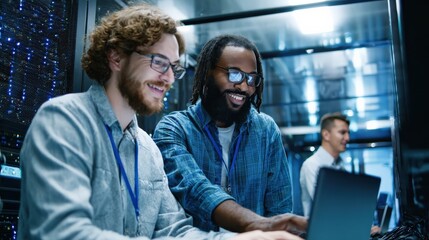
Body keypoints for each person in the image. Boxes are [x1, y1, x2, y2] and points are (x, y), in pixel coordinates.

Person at [17, 4, 303, 240]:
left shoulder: (147, 149)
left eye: (173, 67)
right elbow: (63, 233)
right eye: (158, 61)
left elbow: (174, 230)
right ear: (116, 57)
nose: (167, 78)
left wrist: (247, 239)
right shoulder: (64, 121)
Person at [153, 34, 307, 236]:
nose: (244, 86)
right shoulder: (174, 129)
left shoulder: (266, 131)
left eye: (252, 78)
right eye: (234, 74)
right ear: (208, 73)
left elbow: (279, 207)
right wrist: (262, 226)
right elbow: (196, 190)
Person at [299, 112, 350, 217]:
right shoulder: (311, 165)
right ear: (326, 134)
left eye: (348, 133)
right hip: (320, 232)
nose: (347, 138)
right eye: (342, 132)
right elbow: (327, 206)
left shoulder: (341, 167)